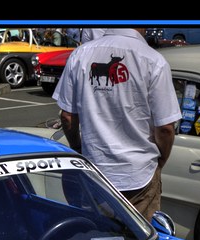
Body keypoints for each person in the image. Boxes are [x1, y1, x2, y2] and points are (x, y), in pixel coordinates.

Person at [54, 27, 181, 221]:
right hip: (139, 175)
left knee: (98, 239)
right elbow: (165, 128)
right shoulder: (153, 60)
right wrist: (160, 160)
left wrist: (78, 147)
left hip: (95, 173)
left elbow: (67, 116)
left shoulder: (81, 54)